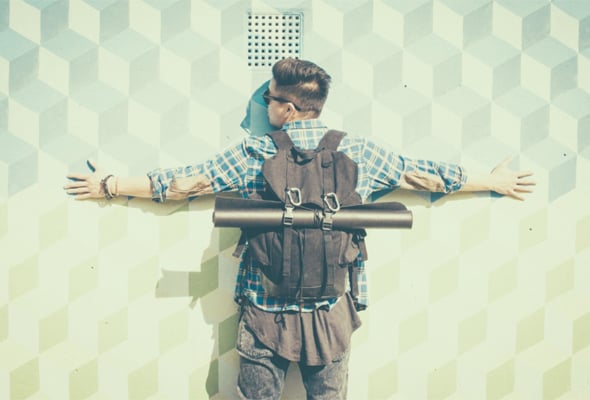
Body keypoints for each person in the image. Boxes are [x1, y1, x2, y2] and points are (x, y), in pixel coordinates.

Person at [64, 58, 535, 399]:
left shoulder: (254, 151)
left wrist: (110, 185)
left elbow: (184, 183)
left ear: (287, 109)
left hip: (264, 309)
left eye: (269, 98)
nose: (264, 105)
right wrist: (492, 181)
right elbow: (424, 175)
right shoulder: (359, 151)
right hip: (332, 311)